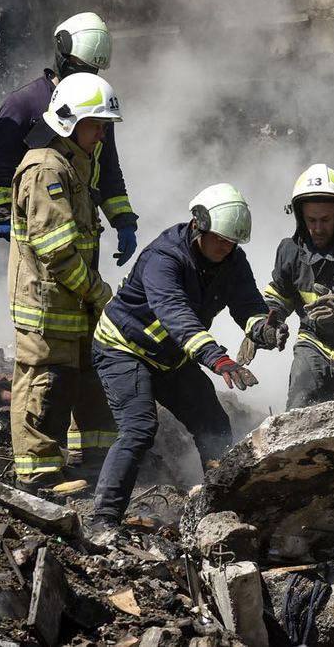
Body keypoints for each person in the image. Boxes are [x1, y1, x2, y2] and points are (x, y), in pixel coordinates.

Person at [90, 184, 288, 529]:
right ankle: (103, 519)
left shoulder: (232, 260)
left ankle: (219, 508)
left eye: (233, 243)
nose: (226, 248)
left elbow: (248, 304)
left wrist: (264, 329)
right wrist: (218, 358)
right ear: (198, 225)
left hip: (172, 356)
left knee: (212, 423)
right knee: (139, 428)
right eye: (220, 239)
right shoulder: (163, 258)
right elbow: (175, 314)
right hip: (124, 349)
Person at [7, 72, 123, 493]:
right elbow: (56, 252)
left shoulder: (74, 165)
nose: (102, 136)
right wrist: (99, 293)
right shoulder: (46, 170)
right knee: (45, 384)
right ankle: (36, 476)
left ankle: (90, 464)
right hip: (46, 302)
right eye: (97, 126)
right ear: (69, 122)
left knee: (77, 381)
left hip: (70, 302)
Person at [0, 12, 137, 261]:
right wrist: (2, 212)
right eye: (81, 65)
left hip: (84, 225)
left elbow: (107, 168)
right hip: (38, 225)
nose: (87, 73)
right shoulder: (24, 104)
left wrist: (124, 219)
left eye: (92, 68)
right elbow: (0, 165)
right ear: (62, 54)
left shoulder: (96, 103)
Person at [262, 164, 334, 409]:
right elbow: (280, 295)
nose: (317, 228)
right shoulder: (290, 251)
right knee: (299, 411)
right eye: (311, 220)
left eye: (325, 220)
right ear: (299, 216)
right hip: (315, 344)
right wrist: (268, 323)